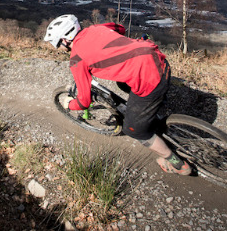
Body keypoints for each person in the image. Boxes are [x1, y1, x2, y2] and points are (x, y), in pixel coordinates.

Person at [44, 14, 191, 175]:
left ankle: (177, 163)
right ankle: (154, 107)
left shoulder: (77, 59)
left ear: (65, 40)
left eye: (56, 43)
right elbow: (119, 28)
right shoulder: (95, 28)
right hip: (158, 59)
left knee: (133, 130)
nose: (57, 47)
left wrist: (69, 104)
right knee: (122, 82)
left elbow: (84, 102)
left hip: (152, 80)